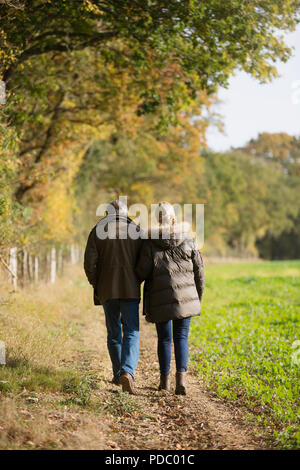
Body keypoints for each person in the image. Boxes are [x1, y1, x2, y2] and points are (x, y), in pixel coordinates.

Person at [135, 202, 204, 395]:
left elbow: (141, 271)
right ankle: (181, 379)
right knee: (181, 337)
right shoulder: (189, 240)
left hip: (160, 299)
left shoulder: (150, 243)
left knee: (164, 339)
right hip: (186, 298)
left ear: (157, 220)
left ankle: (164, 382)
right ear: (173, 218)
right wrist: (197, 296)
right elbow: (200, 272)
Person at [84, 200, 142, 394]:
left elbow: (89, 263)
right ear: (125, 213)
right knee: (132, 331)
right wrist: (138, 279)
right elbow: (144, 261)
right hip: (130, 289)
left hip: (107, 290)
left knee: (114, 333)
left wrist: (97, 283)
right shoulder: (135, 230)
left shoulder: (98, 230)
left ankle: (118, 374)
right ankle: (127, 371)